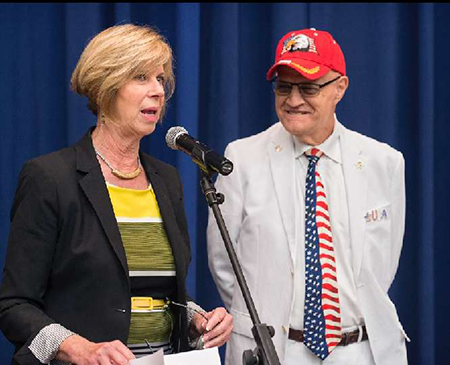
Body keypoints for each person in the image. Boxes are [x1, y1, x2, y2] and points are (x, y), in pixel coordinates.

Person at [0, 23, 233, 365]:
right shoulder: (50, 178)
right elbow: (13, 306)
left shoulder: (167, 180)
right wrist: (80, 348)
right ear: (105, 86)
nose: (157, 91)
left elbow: (155, 296)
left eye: (160, 79)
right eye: (141, 78)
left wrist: (198, 320)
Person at [206, 28, 408, 365]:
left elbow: (383, 265)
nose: (294, 100)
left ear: (340, 88)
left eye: (309, 88)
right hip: (272, 350)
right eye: (284, 87)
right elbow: (223, 263)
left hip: (362, 351)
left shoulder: (383, 162)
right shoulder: (240, 159)